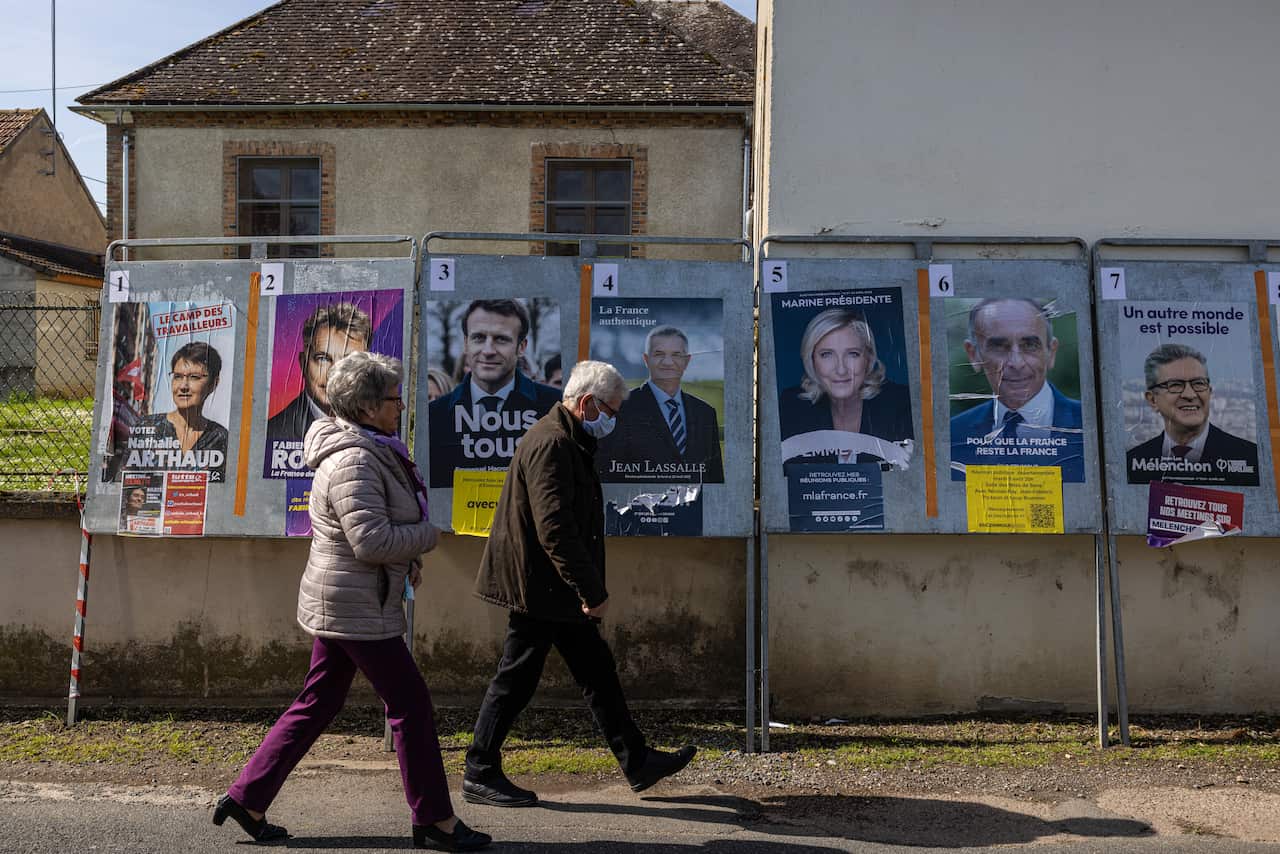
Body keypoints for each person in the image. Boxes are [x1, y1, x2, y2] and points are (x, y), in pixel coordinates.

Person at [215, 351, 491, 852]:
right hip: (355, 606)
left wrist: (406, 557)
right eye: (393, 398)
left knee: (319, 701)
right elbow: (371, 541)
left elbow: (375, 532)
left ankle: (247, 798)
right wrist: (428, 536)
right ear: (366, 407)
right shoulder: (355, 460)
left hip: (349, 598)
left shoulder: (371, 448)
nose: (401, 406)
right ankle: (435, 820)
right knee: (410, 705)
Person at [461, 360, 697, 808]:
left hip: (552, 586)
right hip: (540, 588)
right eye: (612, 410)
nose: (614, 420)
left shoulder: (566, 438)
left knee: (596, 671)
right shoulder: (552, 443)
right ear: (587, 404)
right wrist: (591, 591)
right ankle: (480, 769)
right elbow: (555, 529)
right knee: (516, 679)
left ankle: (637, 761)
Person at [427, 299, 561, 488]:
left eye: (501, 339)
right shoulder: (434, 416)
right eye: (479, 338)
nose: (488, 351)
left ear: (522, 347)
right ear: (465, 343)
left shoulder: (555, 409)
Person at [949, 298, 1084, 481]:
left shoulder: (1090, 427)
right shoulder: (953, 435)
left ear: (1051, 353)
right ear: (973, 355)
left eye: (1030, 345)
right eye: (999, 347)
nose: (1016, 363)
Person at [778, 309, 913, 468]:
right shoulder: (791, 408)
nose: (841, 370)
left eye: (853, 354)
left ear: (869, 359)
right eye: (827, 354)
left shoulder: (902, 405)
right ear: (811, 360)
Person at [597, 325, 724, 483]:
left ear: (686, 361)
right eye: (659, 354)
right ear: (646, 360)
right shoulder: (620, 408)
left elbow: (715, 478)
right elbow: (607, 474)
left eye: (676, 355)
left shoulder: (705, 413)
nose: (668, 362)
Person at [1126, 343, 1259, 486]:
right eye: (1175, 385)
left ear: (1210, 392)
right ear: (1153, 400)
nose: (1190, 394)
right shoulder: (1131, 464)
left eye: (1198, 383)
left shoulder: (1251, 458)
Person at [266, 302, 373, 444]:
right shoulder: (273, 433)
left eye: (349, 362)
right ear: (303, 363)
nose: (334, 374)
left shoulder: (389, 425)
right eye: (323, 359)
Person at [131, 341, 229, 480]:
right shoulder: (145, 427)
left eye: (194, 377)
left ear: (213, 384)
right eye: (177, 376)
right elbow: (125, 483)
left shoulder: (219, 437)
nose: (183, 386)